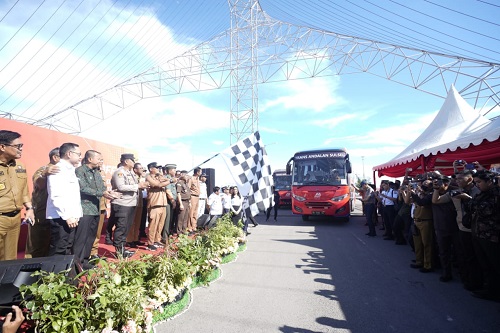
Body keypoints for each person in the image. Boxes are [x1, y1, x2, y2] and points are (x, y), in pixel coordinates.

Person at [75, 150, 114, 269]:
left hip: (96, 208)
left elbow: (102, 188)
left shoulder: (97, 172)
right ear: (90, 159)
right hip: (85, 209)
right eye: (99, 159)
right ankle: (77, 263)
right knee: (81, 238)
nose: (101, 161)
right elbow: (83, 188)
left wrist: (109, 193)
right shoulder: (80, 171)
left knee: (91, 237)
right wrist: (101, 193)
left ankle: (85, 260)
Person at [0, 130, 34, 261]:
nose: (21, 149)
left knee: (11, 258)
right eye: (17, 146)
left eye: (22, 146)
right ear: (2, 147)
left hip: (15, 219)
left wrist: (30, 208)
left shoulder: (19, 166)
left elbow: (24, 190)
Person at [109, 153, 149, 258]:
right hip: (122, 203)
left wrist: (141, 185)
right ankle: (118, 251)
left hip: (131, 203)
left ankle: (122, 248)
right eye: (132, 160)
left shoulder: (130, 173)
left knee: (126, 227)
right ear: (126, 161)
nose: (134, 162)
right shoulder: (120, 172)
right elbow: (121, 186)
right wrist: (137, 186)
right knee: (121, 227)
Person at [469, 170, 500, 301]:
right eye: (476, 183)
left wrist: (472, 202)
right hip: (479, 233)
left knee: (496, 266)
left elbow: (487, 210)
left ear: (489, 182)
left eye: (479, 182)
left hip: (491, 236)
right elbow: (471, 206)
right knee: (486, 265)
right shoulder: (482, 194)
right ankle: (490, 290)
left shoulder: (496, 194)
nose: (477, 186)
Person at [25, 147, 60, 258]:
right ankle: (29, 271)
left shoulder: (64, 172)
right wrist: (45, 174)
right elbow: (39, 184)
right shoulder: (43, 170)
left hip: (55, 212)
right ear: (55, 157)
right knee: (36, 245)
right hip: (41, 212)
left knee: (51, 244)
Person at [431, 176, 458, 282]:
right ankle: (446, 273)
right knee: (443, 252)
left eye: (439, 183)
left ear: (446, 184)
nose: (436, 185)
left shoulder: (453, 193)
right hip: (440, 227)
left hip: (455, 228)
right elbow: (431, 200)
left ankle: (465, 275)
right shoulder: (433, 193)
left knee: (460, 253)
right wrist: (436, 189)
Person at [409, 179, 435, 273]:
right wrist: (411, 192)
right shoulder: (420, 193)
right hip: (416, 220)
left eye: (426, 184)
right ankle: (419, 261)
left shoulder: (431, 194)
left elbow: (422, 202)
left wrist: (415, 193)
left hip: (426, 222)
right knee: (417, 243)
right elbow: (408, 201)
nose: (423, 185)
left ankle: (428, 264)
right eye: (423, 183)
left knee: (427, 244)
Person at [145, 162, 170, 251]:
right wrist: (169, 181)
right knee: (153, 224)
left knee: (160, 224)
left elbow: (165, 180)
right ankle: (150, 242)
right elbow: (157, 185)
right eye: (156, 168)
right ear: (151, 169)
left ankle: (157, 239)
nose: (158, 169)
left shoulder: (159, 176)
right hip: (155, 203)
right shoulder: (148, 177)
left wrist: (162, 177)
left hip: (163, 203)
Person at [126, 163, 146, 248]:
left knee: (138, 222)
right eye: (140, 168)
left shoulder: (140, 177)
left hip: (139, 201)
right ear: (135, 170)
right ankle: (129, 240)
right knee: (132, 222)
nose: (142, 170)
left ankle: (135, 238)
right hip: (133, 201)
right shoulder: (131, 176)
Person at [188, 167, 201, 233]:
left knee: (195, 212)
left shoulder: (198, 179)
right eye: (200, 172)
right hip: (192, 196)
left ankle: (194, 227)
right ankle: (189, 227)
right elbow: (188, 188)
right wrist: (189, 199)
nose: (201, 173)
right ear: (197, 172)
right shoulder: (191, 179)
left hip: (197, 197)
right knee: (191, 212)